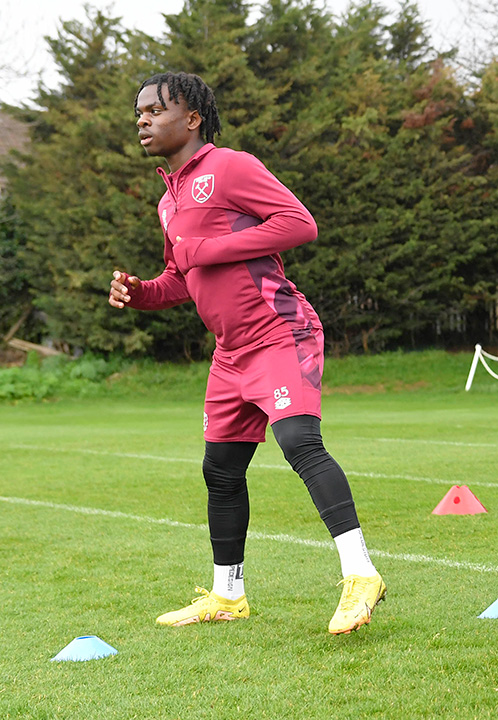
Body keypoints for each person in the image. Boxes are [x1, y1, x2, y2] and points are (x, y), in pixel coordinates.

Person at [109, 72, 386, 635]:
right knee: (221, 469)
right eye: (137, 112)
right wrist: (140, 294)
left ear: (191, 118)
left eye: (153, 110)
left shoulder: (231, 166)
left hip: (280, 331)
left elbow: (298, 224)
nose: (141, 120)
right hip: (230, 353)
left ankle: (362, 576)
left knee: (299, 442)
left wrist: (210, 247)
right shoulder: (169, 198)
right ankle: (227, 595)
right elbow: (181, 277)